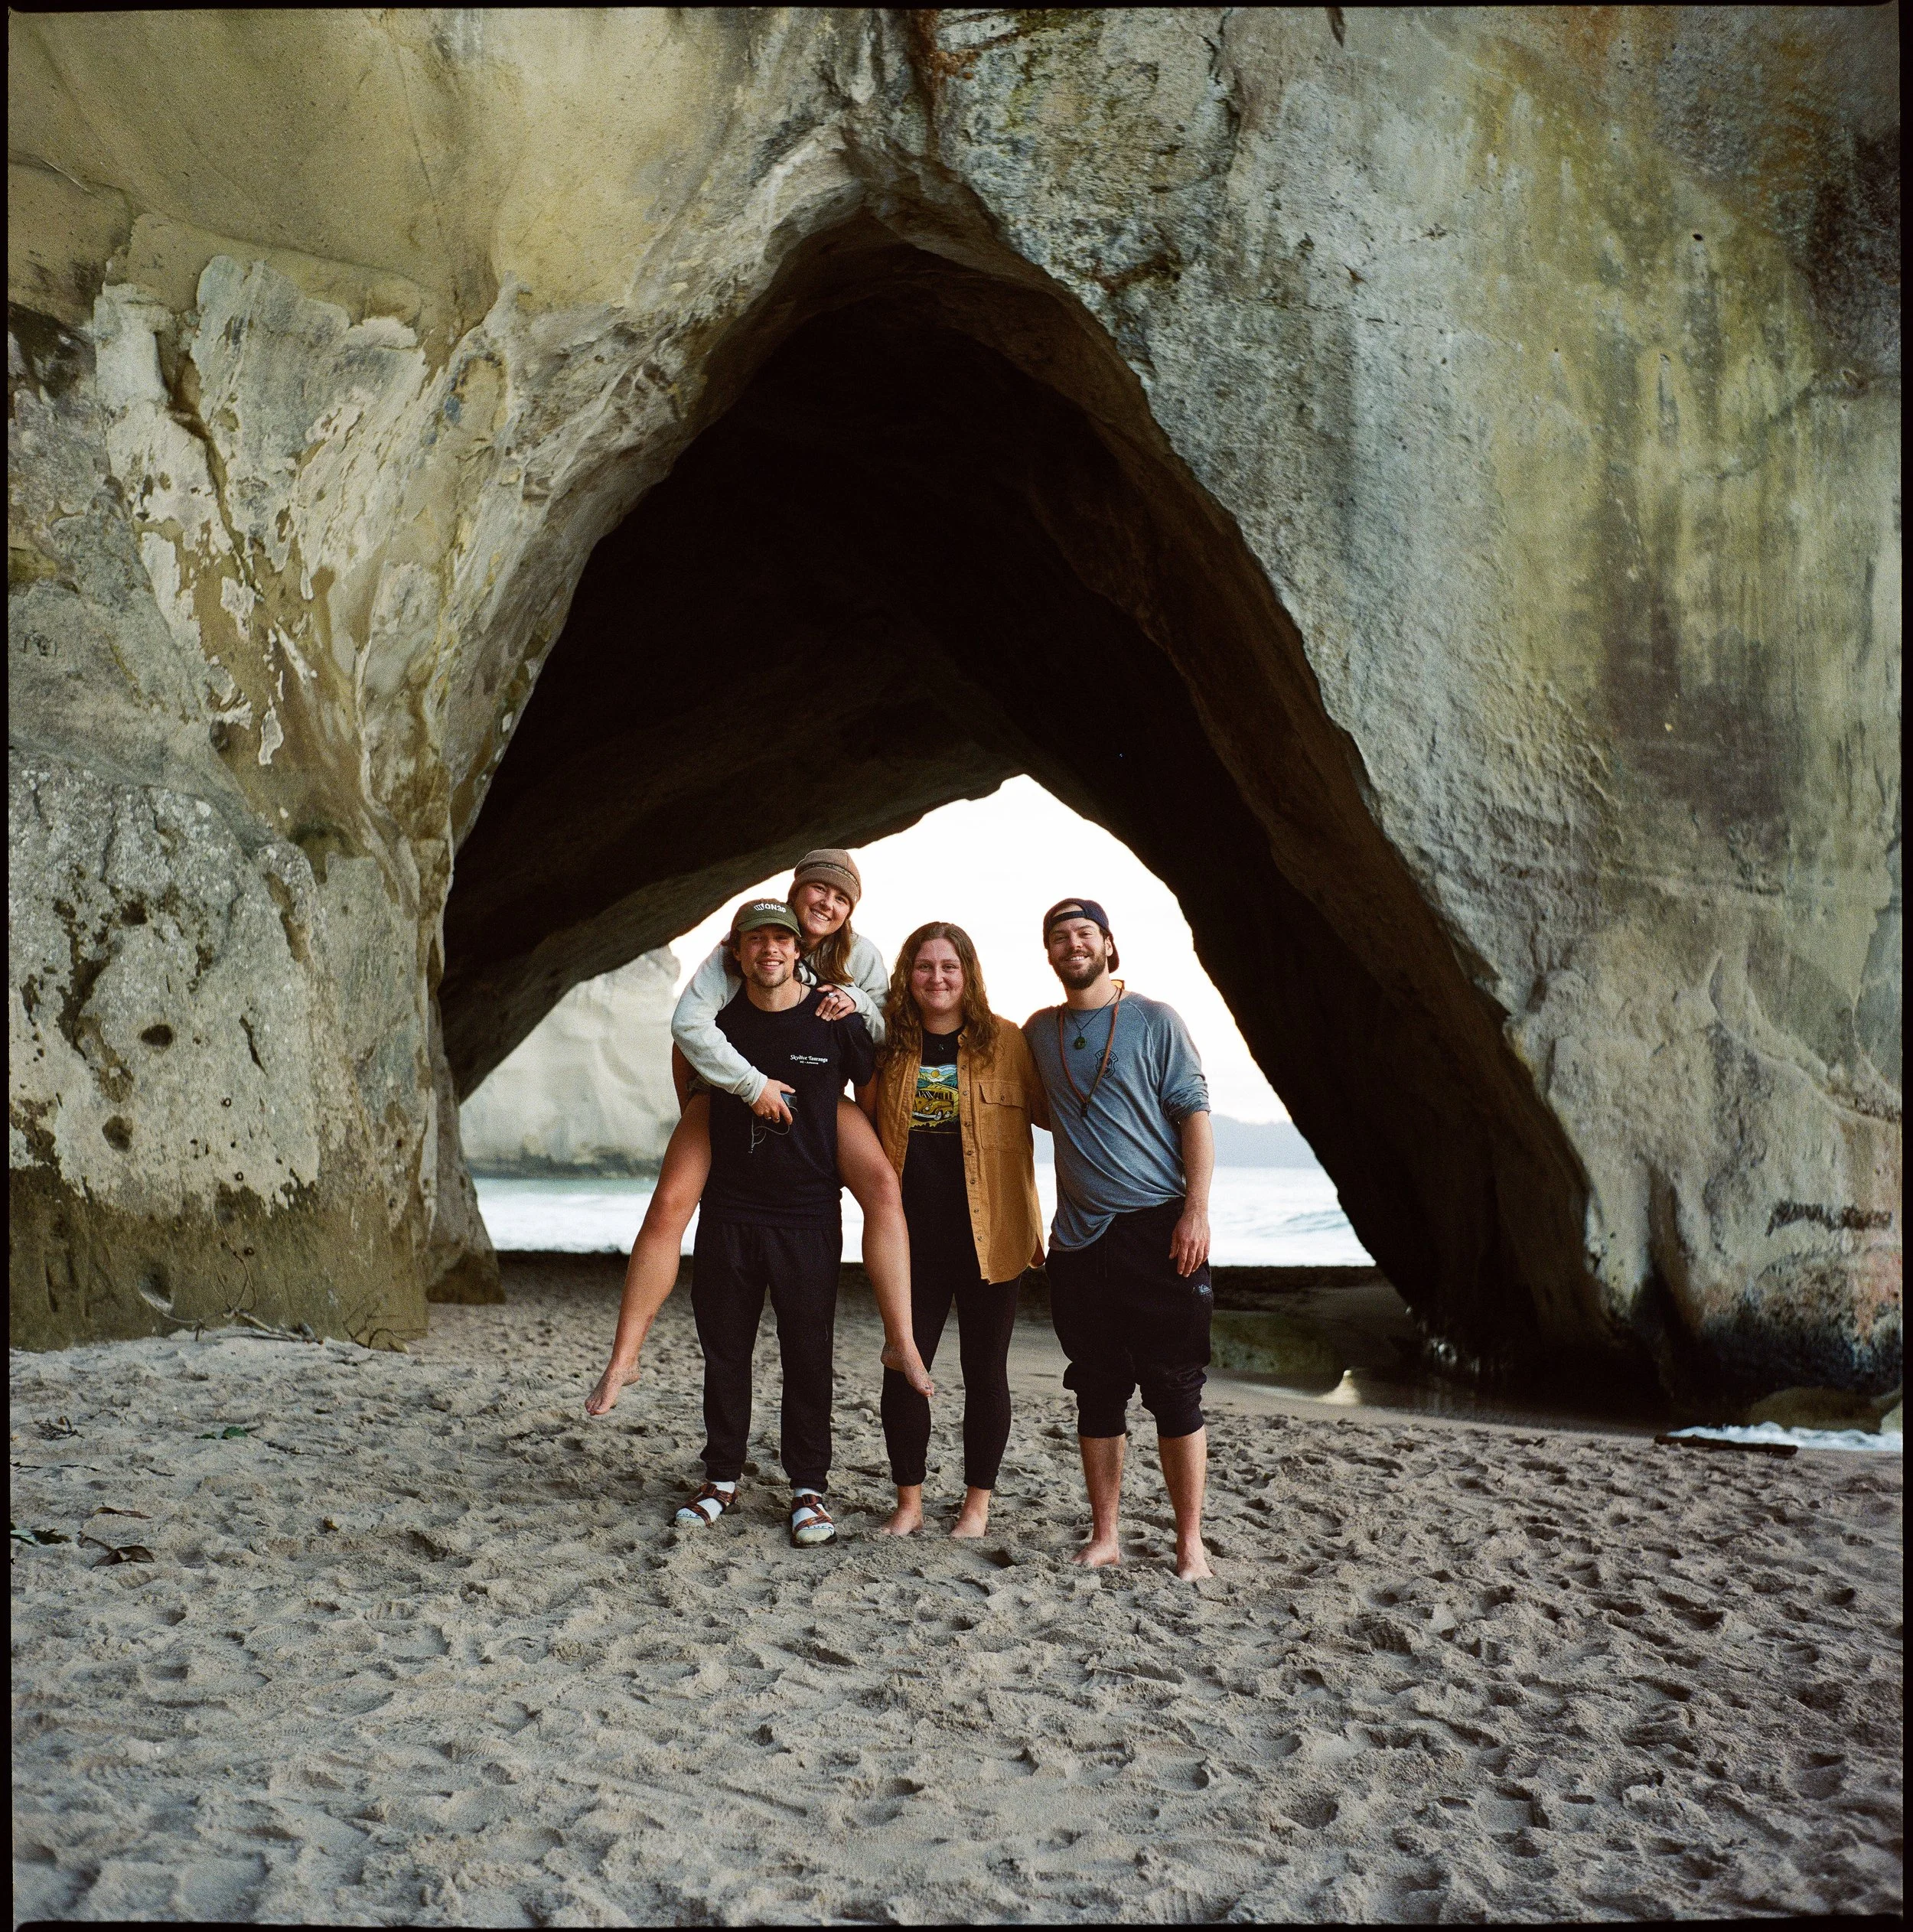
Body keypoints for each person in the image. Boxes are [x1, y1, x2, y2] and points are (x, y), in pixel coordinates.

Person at [585, 849, 931, 1419]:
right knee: (670, 1203)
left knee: (883, 1187)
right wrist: (737, 1090)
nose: (828, 903)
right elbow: (687, 1029)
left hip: (820, 1093)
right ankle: (624, 1356)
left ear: (849, 911)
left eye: (841, 898)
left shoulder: (860, 955)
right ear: (797, 892)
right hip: (732, 1087)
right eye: (819, 890)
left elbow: (887, 1030)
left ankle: (901, 1339)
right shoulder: (745, 943)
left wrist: (861, 1001)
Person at [670, 898, 875, 1545]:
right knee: (724, 1349)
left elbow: (869, 1090)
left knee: (808, 1355)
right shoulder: (718, 1020)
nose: (770, 951)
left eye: (780, 941)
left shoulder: (833, 1017)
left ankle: (808, 1489)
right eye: (756, 940)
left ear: (797, 950)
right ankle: (721, 1478)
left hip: (810, 1214)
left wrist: (859, 1170)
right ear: (739, 951)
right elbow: (688, 1067)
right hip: (730, 1210)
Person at [1023, 898, 1216, 1581]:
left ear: (1108, 944)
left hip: (1158, 1228)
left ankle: (1189, 1544)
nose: (1072, 945)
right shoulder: (1038, 1032)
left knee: (1174, 1387)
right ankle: (1106, 1534)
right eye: (1059, 937)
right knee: (1097, 1388)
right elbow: (1037, 1113)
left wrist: (1196, 1210)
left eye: (1084, 933)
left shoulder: (1155, 1020)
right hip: (1079, 1240)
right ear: (1049, 954)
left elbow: (1193, 1111)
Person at [862, 924, 1047, 1538]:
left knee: (985, 1372)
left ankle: (975, 1507)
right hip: (909, 1243)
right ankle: (910, 1503)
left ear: (968, 974)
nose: (936, 978)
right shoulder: (886, 1048)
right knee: (903, 1365)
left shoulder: (1011, 1044)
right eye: (923, 966)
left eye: (949, 966)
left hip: (992, 1236)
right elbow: (853, 1126)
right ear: (906, 976)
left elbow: (1067, 1116)